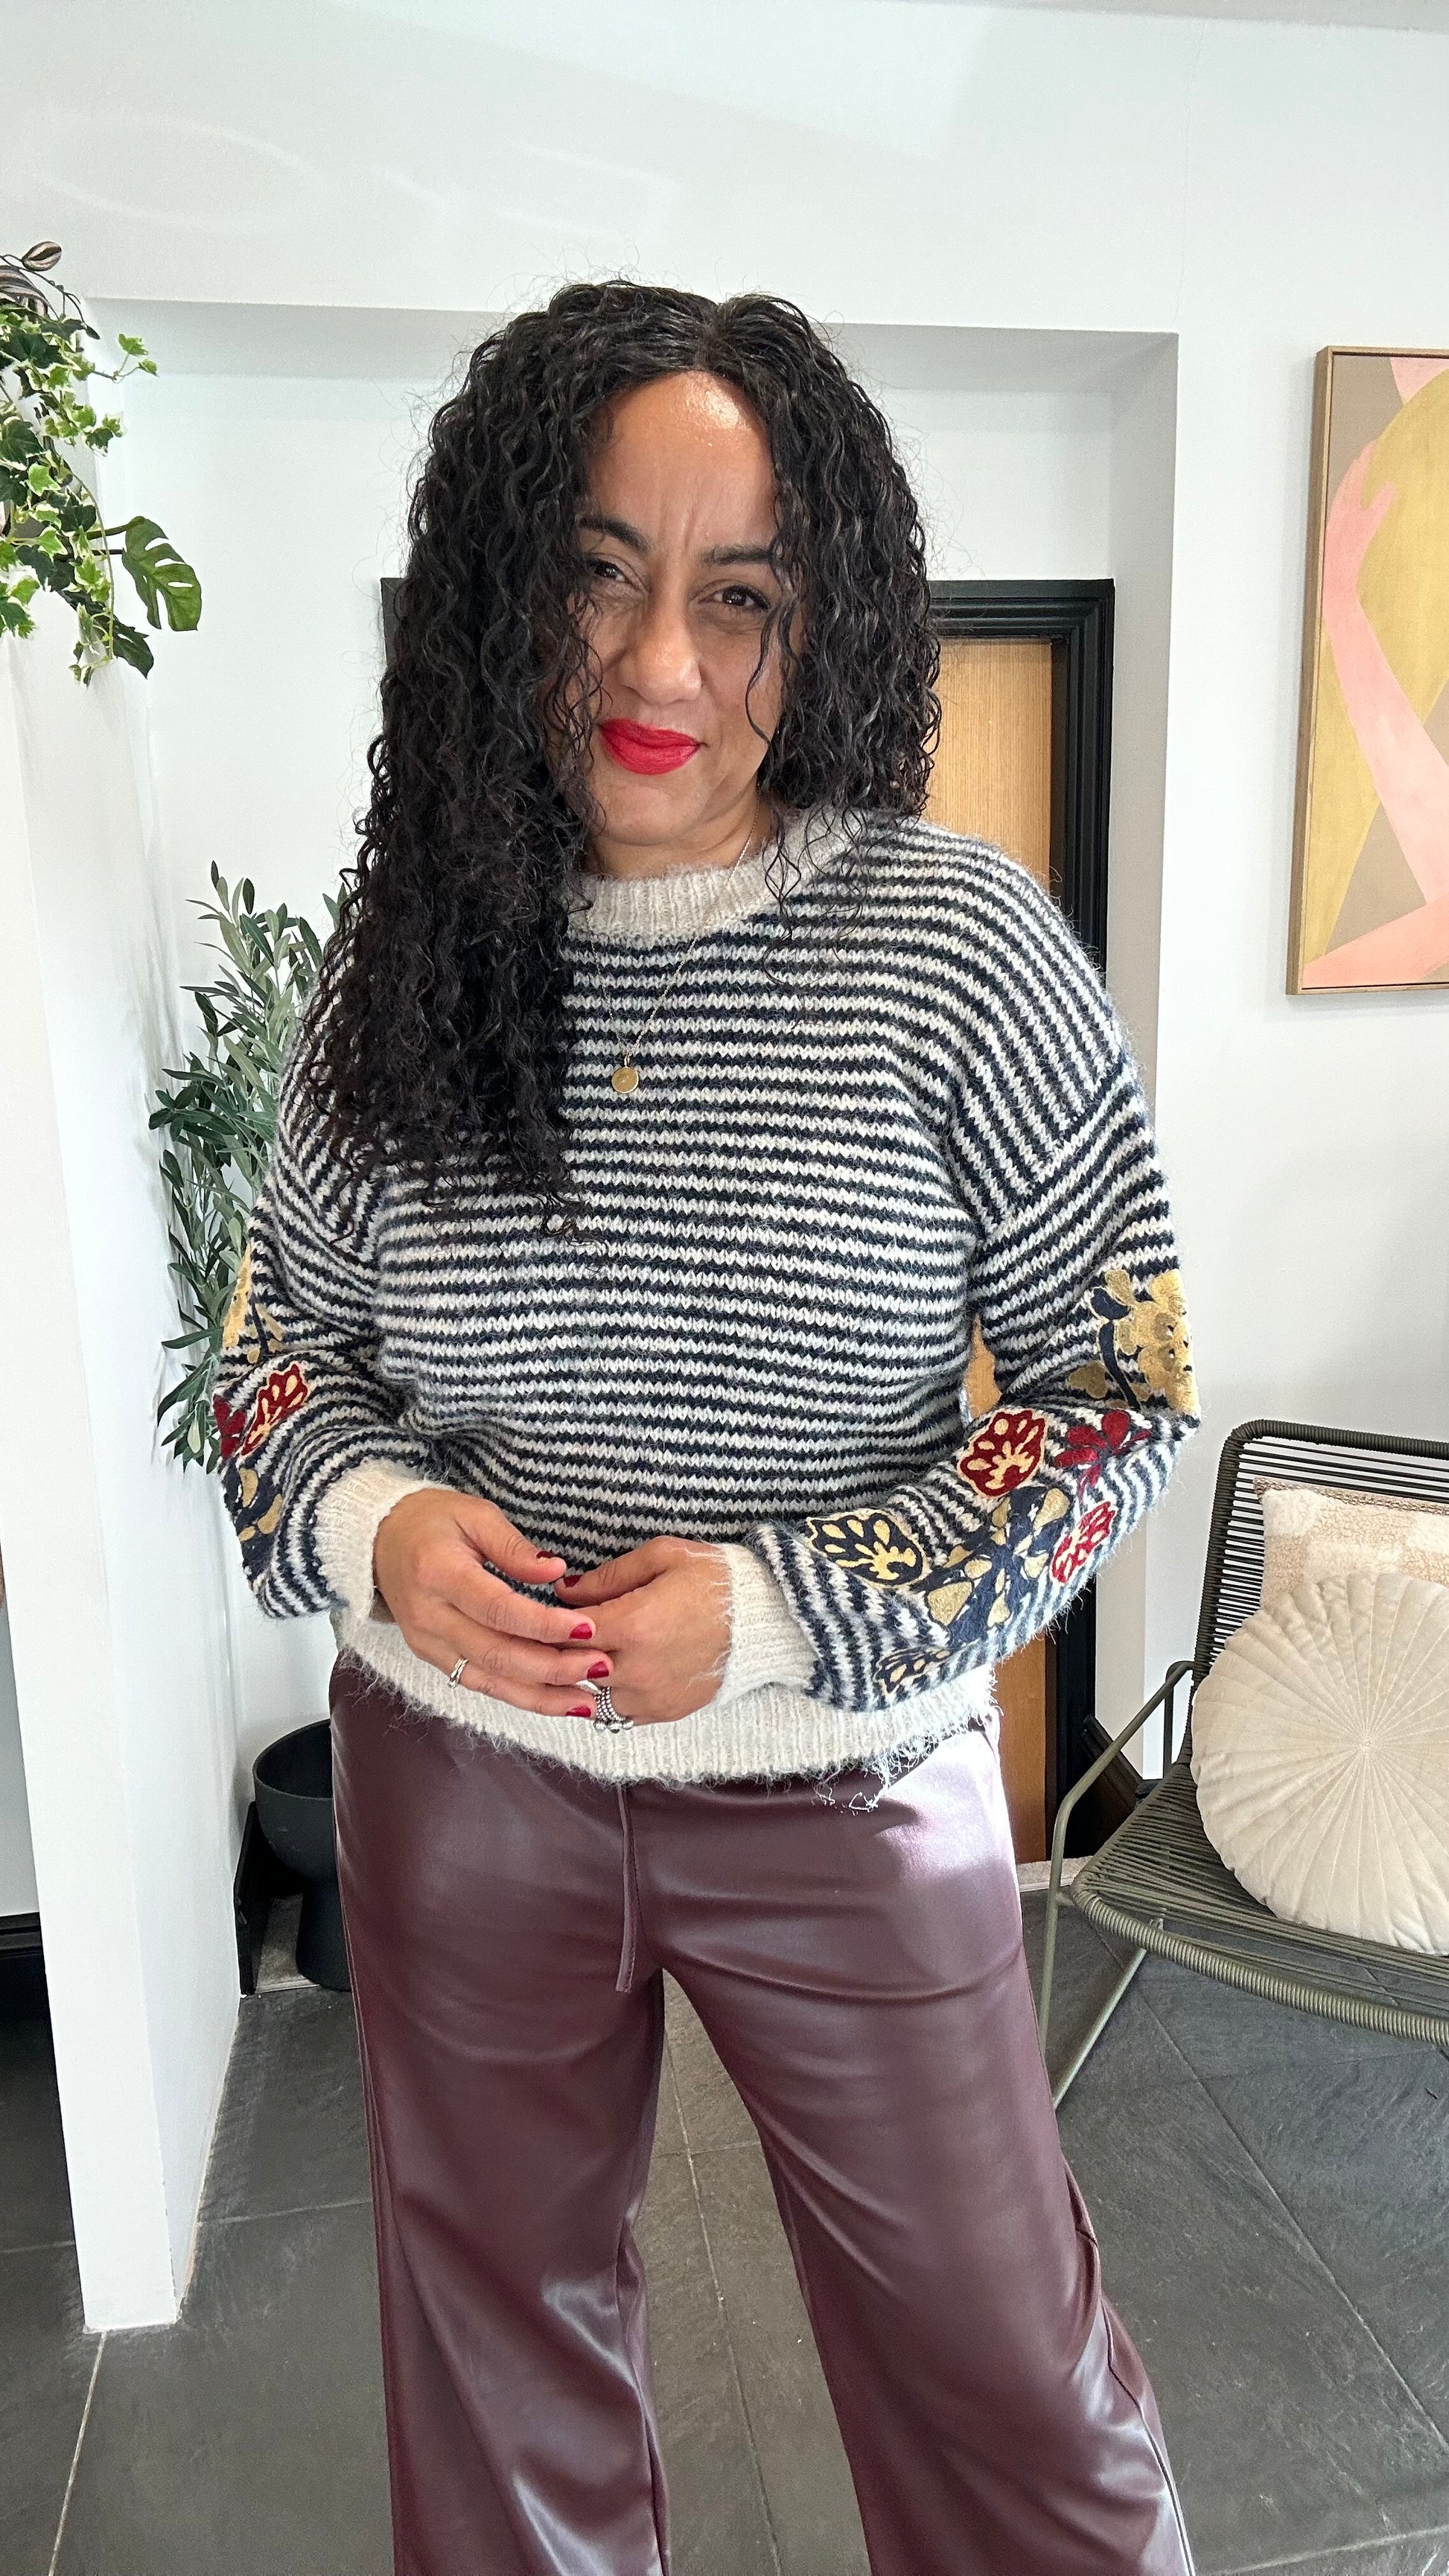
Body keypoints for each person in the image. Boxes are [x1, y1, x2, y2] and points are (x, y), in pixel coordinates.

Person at [215, 280, 1199, 2576]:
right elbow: (273, 1360)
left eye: (739, 595)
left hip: (846, 1789)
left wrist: (775, 1608)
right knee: (497, 2381)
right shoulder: (407, 960)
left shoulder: (956, 948)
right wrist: (377, 1526)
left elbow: (1117, 1394)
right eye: (597, 571)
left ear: (820, 618)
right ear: (501, 585)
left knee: (1011, 2389)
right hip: (456, 1778)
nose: (660, 662)